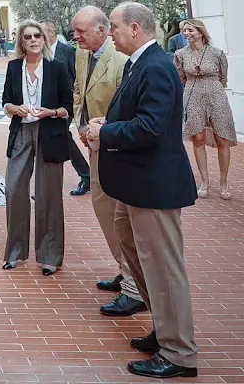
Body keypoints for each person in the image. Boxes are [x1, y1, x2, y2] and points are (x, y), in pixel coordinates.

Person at [87, 2, 198, 378]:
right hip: (136, 186)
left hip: (155, 187)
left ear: (135, 28)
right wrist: (109, 121)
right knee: (135, 255)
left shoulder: (156, 66)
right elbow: (137, 115)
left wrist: (105, 132)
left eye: (114, 27)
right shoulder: (140, 63)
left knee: (164, 270)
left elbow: (150, 128)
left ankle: (179, 352)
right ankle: (166, 330)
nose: (110, 33)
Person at [72, 6, 146, 317]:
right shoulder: (82, 52)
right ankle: (123, 269)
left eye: (82, 32)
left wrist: (103, 134)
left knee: (121, 217)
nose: (75, 37)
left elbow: (129, 110)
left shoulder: (122, 59)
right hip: (95, 144)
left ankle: (133, 287)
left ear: (103, 30)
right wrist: (81, 126)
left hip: (116, 148)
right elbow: (79, 90)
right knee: (104, 212)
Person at [1, 19, 74, 276]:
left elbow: (68, 108)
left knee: (49, 195)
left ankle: (50, 257)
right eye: (28, 37)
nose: (33, 40)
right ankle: (15, 253)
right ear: (21, 42)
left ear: (44, 40)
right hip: (21, 131)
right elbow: (6, 102)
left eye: (37, 36)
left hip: (49, 133)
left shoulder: (57, 68)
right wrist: (14, 109)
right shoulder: (13, 68)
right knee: (13, 189)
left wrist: (51, 112)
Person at [174, 19, 237, 200]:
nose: (186, 34)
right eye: (184, 31)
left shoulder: (217, 53)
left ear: (200, 32)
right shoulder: (180, 54)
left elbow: (223, 76)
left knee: (222, 137)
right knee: (198, 137)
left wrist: (214, 87)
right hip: (193, 93)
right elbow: (181, 76)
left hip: (216, 93)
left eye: (190, 30)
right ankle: (205, 181)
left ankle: (223, 183)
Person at [40, 20, 91, 196]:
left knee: (60, 135)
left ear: (51, 34)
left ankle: (85, 176)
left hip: (66, 104)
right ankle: (83, 176)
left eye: (41, 33)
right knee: (58, 138)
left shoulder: (68, 51)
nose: (38, 38)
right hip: (46, 106)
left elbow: (78, 78)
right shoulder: (40, 53)